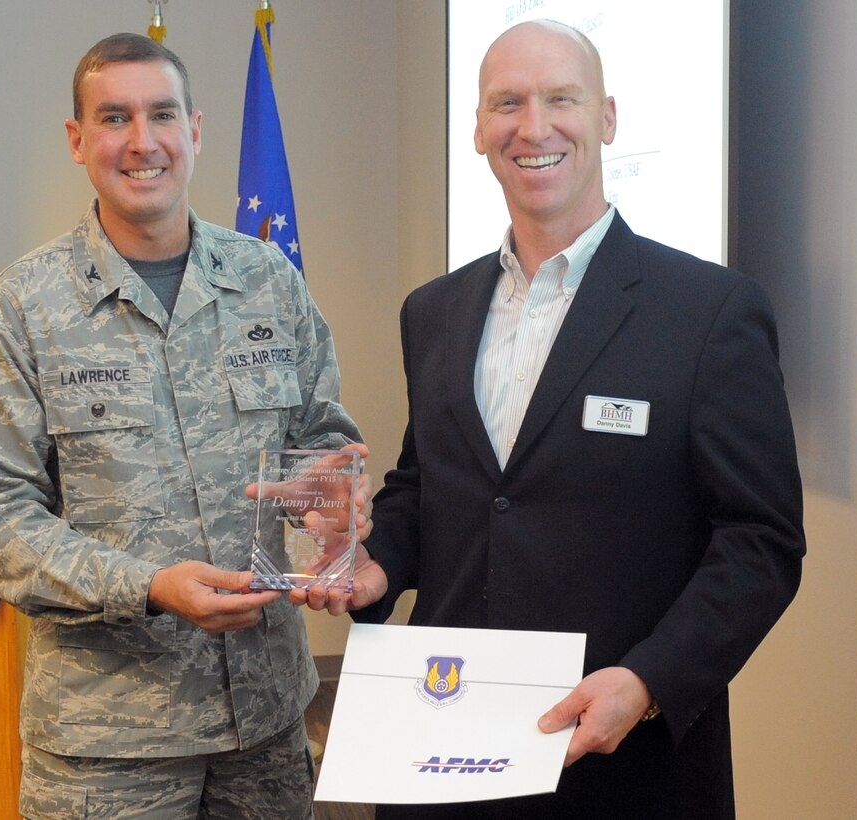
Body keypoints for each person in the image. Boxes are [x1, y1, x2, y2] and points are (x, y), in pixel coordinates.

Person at [297, 19, 805, 819]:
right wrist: (376, 565)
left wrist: (646, 684)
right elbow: (425, 485)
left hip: (623, 763)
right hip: (438, 754)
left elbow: (761, 543)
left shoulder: (710, 312)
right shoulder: (432, 311)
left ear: (606, 119)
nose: (533, 128)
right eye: (507, 103)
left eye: (559, 99)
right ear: (478, 130)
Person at [0, 32, 367, 819]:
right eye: (114, 118)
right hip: (108, 746)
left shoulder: (267, 280)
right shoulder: (18, 310)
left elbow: (322, 437)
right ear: (78, 141)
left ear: (196, 131)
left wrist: (332, 497)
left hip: (267, 723)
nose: (142, 142)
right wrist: (146, 588)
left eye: (162, 114)